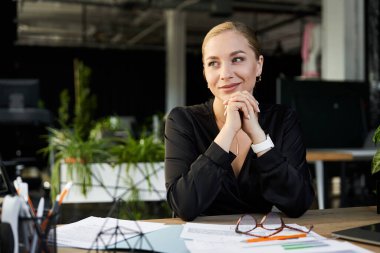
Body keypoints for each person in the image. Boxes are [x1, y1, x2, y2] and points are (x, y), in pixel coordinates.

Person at [164, 21, 315, 221]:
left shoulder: (283, 119)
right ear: (205, 72)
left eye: (237, 59)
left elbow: (298, 204)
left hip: (258, 242)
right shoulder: (183, 120)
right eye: (213, 63)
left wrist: (258, 137)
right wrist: (228, 131)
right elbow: (184, 205)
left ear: (259, 65)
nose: (225, 74)